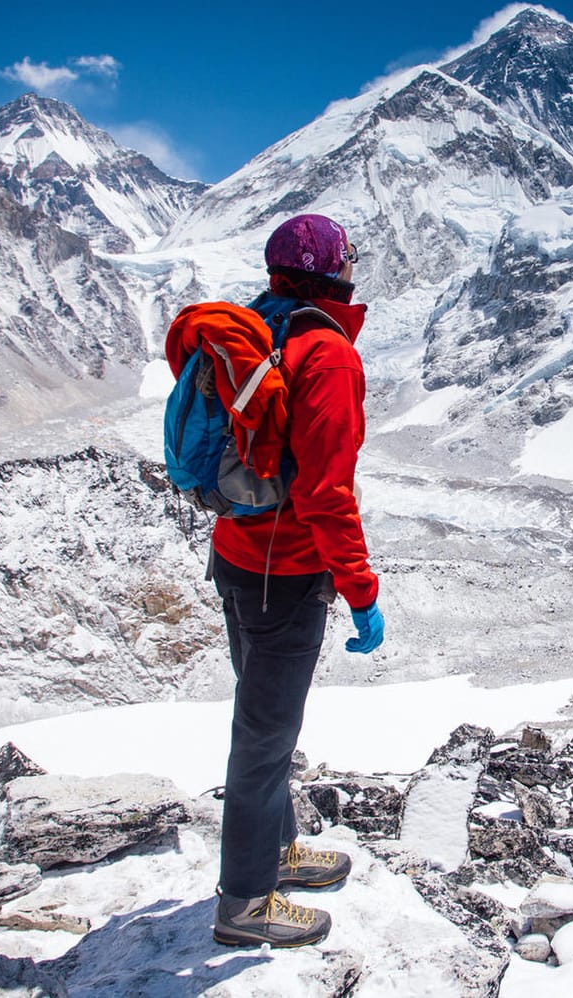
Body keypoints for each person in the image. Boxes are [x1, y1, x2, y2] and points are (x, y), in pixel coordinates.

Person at [211, 213, 386, 949]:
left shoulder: (253, 332)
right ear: (333, 270)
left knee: (266, 729)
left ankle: (276, 854)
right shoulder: (326, 354)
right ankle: (245, 903)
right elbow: (324, 493)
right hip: (285, 575)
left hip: (235, 555)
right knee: (265, 736)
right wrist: (361, 590)